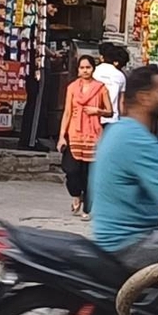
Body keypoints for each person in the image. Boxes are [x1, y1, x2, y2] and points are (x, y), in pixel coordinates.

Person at [89, 64, 158, 272]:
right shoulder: (138, 139)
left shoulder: (117, 130)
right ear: (144, 98)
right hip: (130, 243)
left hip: (109, 237)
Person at [56, 54, 112, 216]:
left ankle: (88, 208)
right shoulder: (72, 88)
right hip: (74, 134)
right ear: (78, 69)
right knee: (71, 170)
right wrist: (62, 136)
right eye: (82, 68)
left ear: (93, 69)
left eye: (88, 67)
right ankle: (76, 195)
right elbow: (67, 112)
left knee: (89, 175)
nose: (85, 70)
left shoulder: (101, 88)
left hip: (93, 135)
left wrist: (98, 111)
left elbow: (110, 112)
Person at [93, 42, 129, 126]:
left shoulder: (93, 71)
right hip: (112, 120)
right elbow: (121, 102)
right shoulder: (121, 76)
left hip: (94, 116)